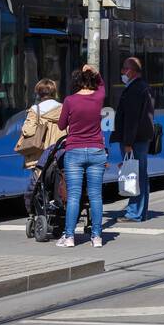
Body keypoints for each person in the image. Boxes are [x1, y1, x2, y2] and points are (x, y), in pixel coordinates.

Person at [57, 64, 107, 248]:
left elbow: (62, 126)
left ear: (77, 82)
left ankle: (69, 237)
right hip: (96, 151)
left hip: (75, 152)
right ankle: (96, 237)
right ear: (92, 80)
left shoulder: (70, 100)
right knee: (96, 196)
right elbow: (102, 86)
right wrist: (95, 70)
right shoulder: (99, 97)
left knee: (74, 196)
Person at [111, 57, 155, 222]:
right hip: (139, 139)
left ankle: (134, 212)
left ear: (133, 71)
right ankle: (139, 212)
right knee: (139, 175)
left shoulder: (136, 89)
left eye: (125, 68)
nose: (122, 72)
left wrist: (128, 143)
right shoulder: (141, 87)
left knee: (134, 175)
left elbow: (132, 119)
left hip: (135, 140)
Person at [18, 78, 64, 171]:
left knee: (39, 181)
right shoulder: (63, 108)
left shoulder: (35, 110)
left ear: (38, 93)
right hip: (59, 151)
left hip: (40, 154)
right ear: (54, 92)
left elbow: (28, 131)